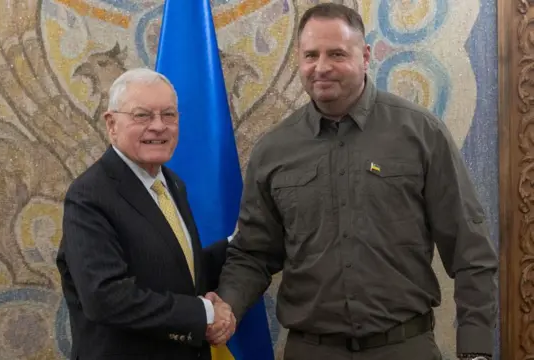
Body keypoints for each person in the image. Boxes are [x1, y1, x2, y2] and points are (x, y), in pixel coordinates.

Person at [211, 3, 498, 360]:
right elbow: (253, 253)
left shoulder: (421, 134)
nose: (321, 67)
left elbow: (472, 251)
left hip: (404, 348)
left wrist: (476, 350)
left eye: (336, 54)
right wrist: (226, 307)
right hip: (310, 350)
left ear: (364, 56)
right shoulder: (273, 150)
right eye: (310, 55)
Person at [56, 68, 236, 360]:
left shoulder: (172, 184)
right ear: (111, 123)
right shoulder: (89, 196)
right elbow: (105, 297)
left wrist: (238, 243)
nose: (158, 126)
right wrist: (203, 313)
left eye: (169, 115)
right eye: (142, 116)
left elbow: (176, 270)